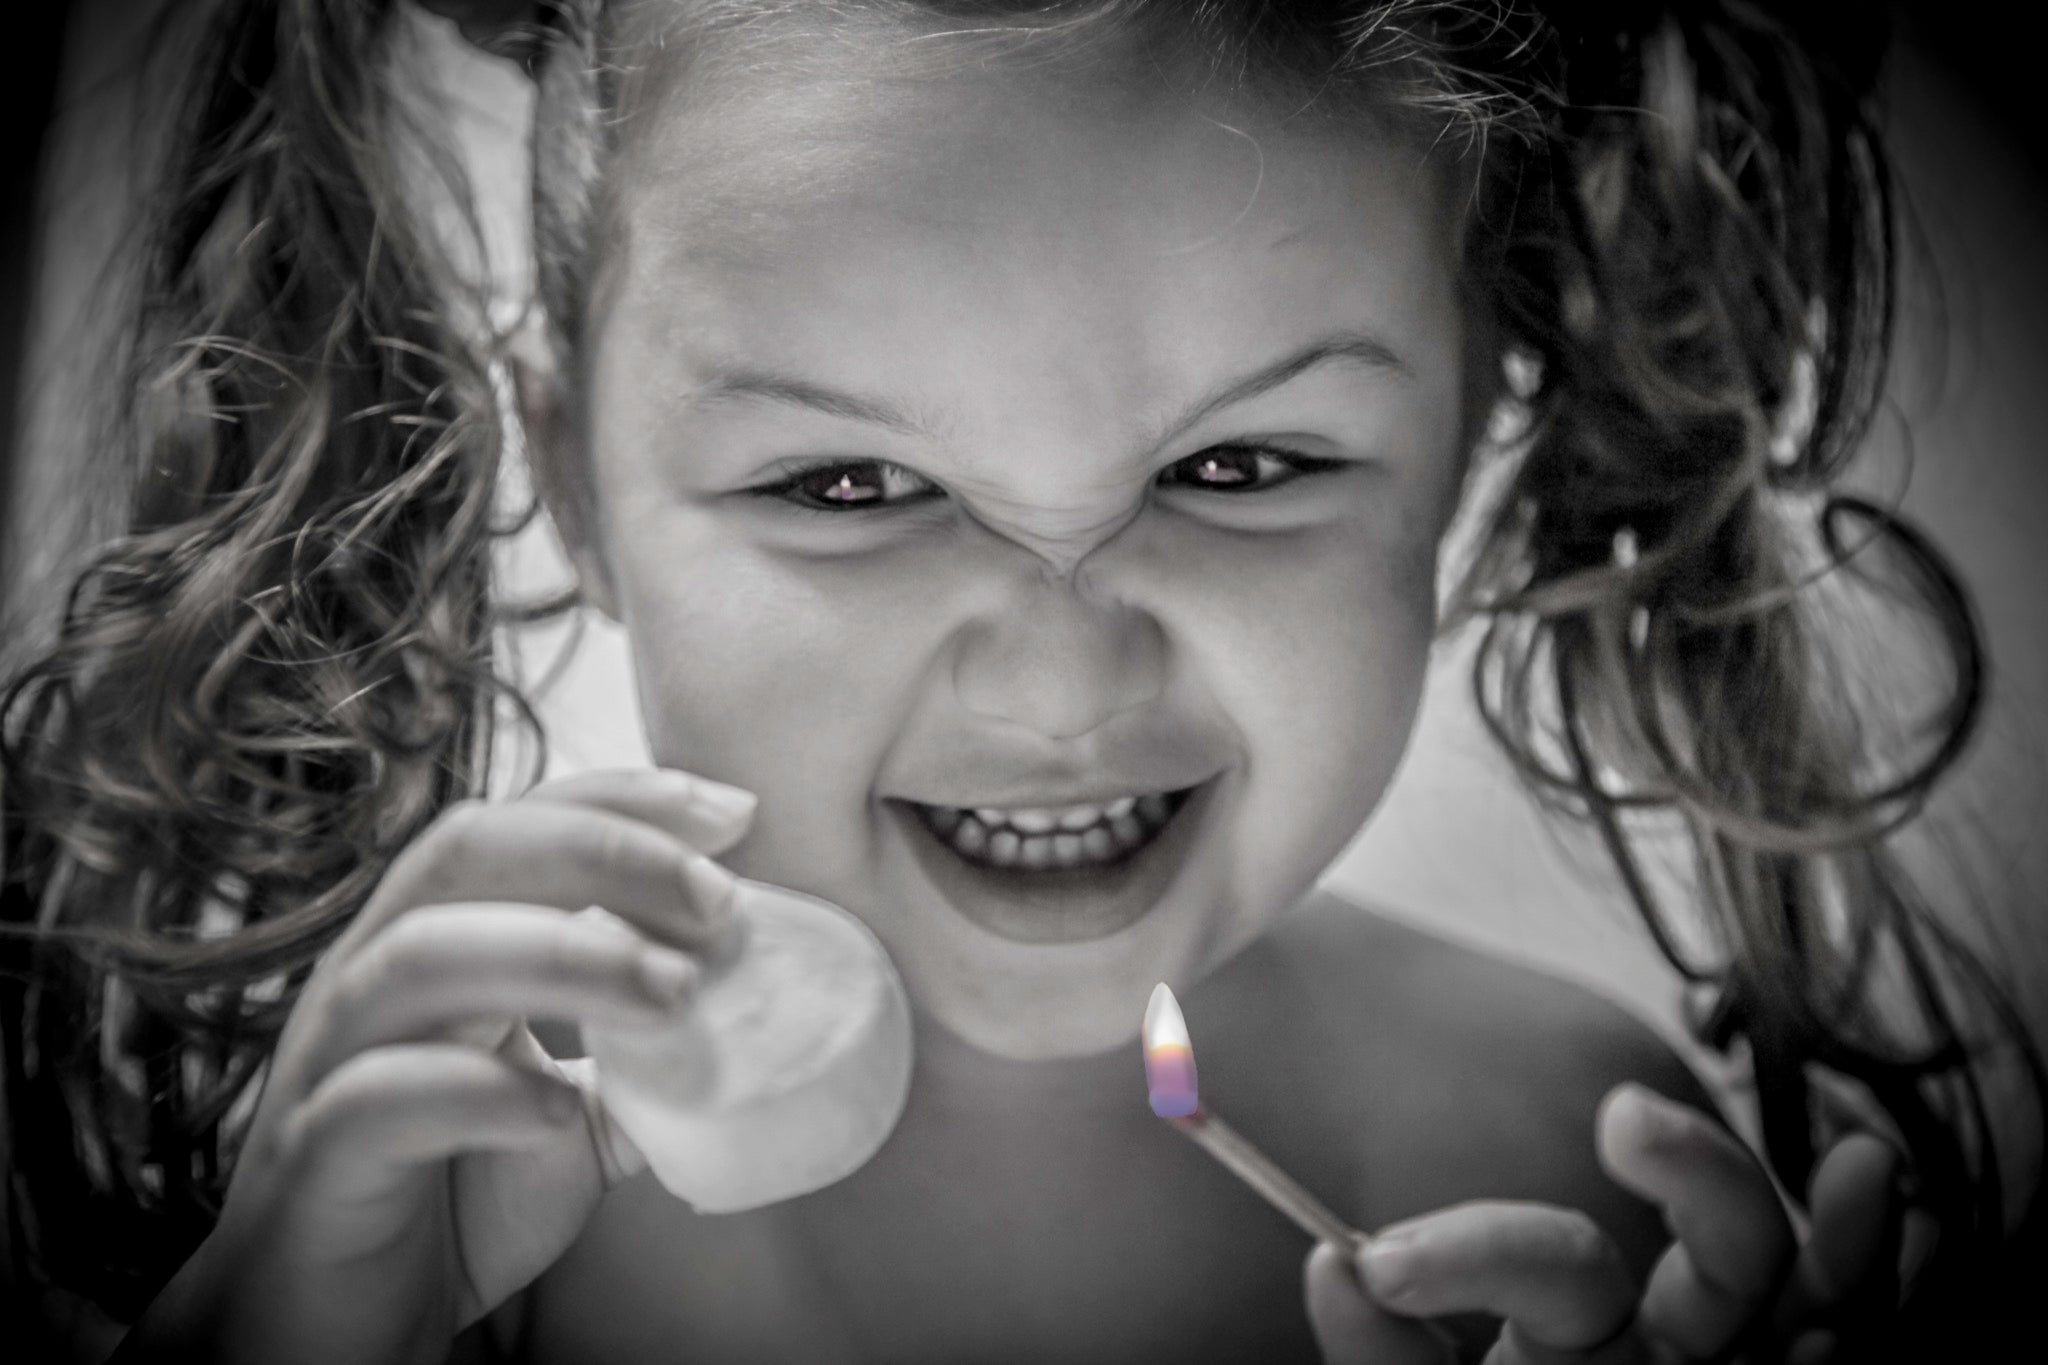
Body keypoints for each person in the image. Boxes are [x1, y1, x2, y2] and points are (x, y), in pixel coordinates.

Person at [1, 0, 2039, 1360]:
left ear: (1474, 440)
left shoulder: (1568, 1160)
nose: (1064, 673)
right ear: (575, 477)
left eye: (1239, 467)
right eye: (854, 480)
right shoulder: (411, 1190)